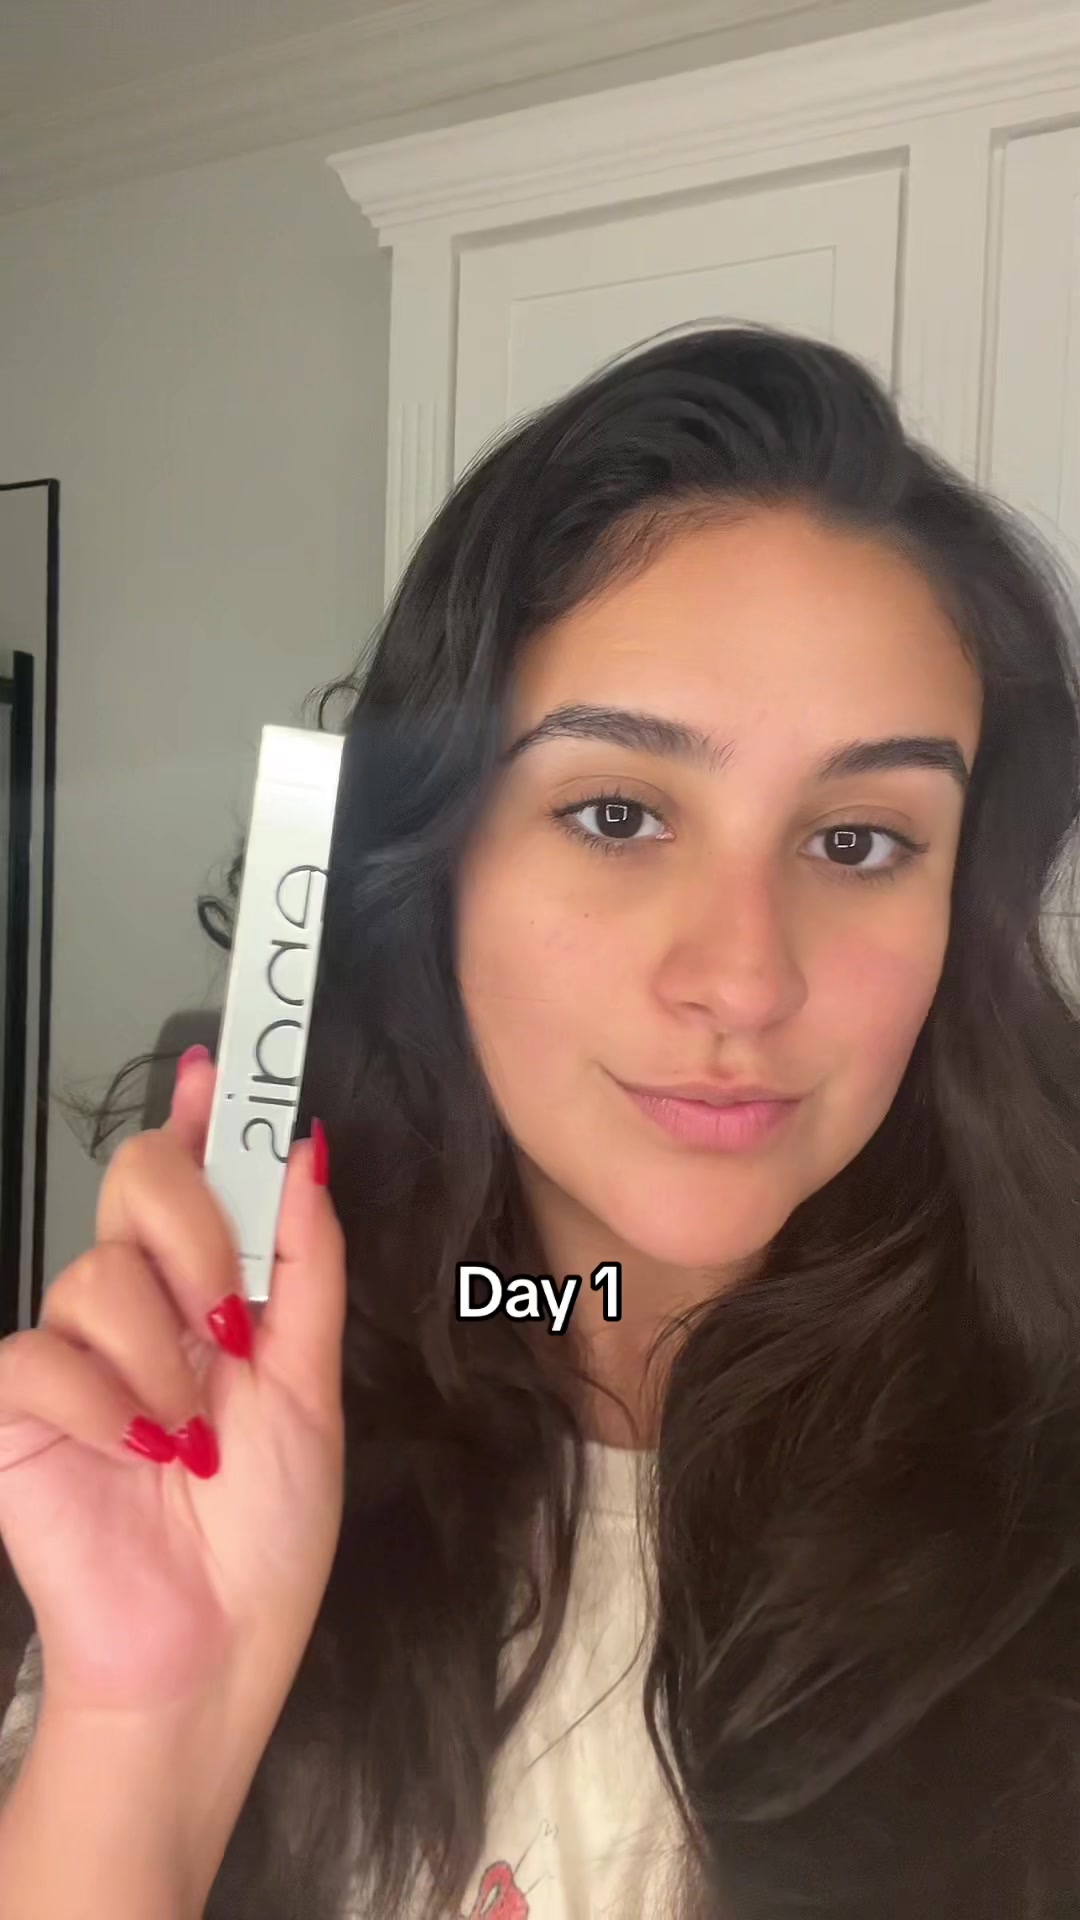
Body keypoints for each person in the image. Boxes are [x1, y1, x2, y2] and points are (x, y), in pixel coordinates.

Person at [0, 322, 1079, 1920]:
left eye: (858, 840)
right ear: (435, 863)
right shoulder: (204, 1440)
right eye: (619, 813)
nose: (745, 979)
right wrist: (146, 1725)